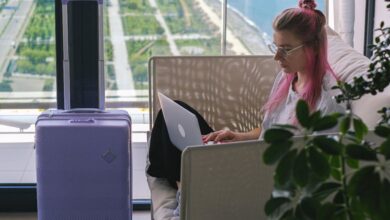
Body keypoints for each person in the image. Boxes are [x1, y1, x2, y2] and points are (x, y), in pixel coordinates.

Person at [147, 0, 345, 216]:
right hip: (252, 163)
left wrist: (241, 168)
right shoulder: (287, 78)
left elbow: (315, 173)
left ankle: (187, 192)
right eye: (276, 47)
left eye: (286, 49)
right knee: (171, 117)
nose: (276, 57)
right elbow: (268, 130)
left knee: (186, 158)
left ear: (313, 48)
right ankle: (186, 186)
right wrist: (237, 137)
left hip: (263, 182)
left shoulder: (328, 103)